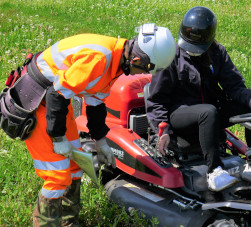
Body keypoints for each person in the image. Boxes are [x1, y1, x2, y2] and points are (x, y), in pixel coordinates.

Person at [1, 23, 175, 226]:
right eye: (142, 69)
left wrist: (101, 141)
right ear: (136, 59)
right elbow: (56, 94)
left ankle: (68, 222)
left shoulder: (117, 62)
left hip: (56, 103)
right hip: (36, 102)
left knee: (75, 165)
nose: (136, 74)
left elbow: (95, 103)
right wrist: (58, 138)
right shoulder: (99, 59)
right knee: (57, 176)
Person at [146, 7, 251, 192]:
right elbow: (156, 100)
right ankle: (215, 173)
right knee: (208, 111)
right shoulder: (171, 56)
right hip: (179, 114)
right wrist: (163, 130)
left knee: (250, 109)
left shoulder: (218, 52)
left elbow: (234, 85)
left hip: (209, 110)